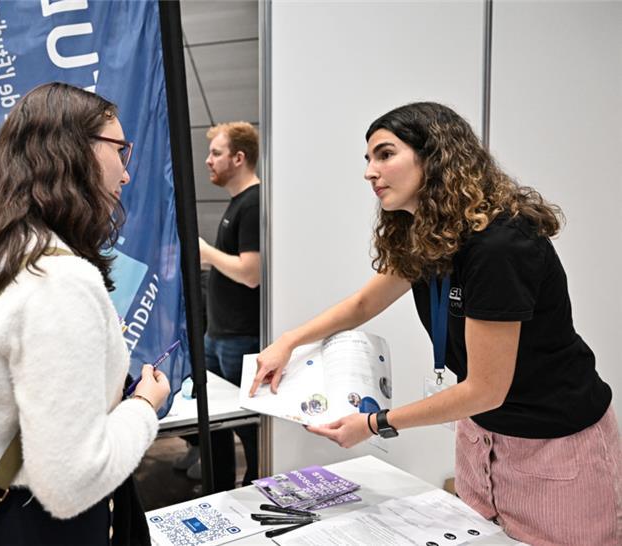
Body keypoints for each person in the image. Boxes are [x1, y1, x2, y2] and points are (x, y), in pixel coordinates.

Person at [251, 102, 620, 546]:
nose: (370, 171)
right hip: (480, 434)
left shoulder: (500, 245)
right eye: (368, 159)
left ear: (435, 156)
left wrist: (374, 423)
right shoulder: (433, 233)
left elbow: (486, 387)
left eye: (385, 154)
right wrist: (289, 341)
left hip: (553, 445)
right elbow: (366, 302)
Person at [0, 82, 170, 546]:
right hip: (43, 525)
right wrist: (144, 407)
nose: (125, 174)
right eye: (120, 150)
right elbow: (71, 483)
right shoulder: (59, 281)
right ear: (75, 151)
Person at [184, 121, 261, 491]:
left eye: (216, 153)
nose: (208, 160)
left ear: (239, 157)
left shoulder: (253, 203)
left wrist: (206, 252)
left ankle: (255, 485)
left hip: (239, 337)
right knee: (215, 422)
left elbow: (251, 273)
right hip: (219, 334)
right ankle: (219, 490)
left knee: (247, 427)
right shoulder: (237, 203)